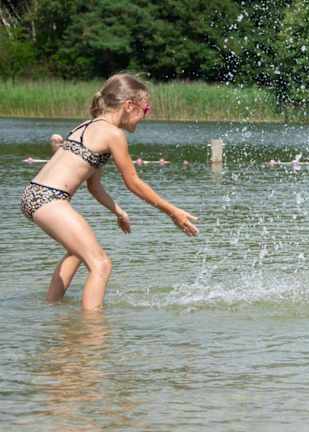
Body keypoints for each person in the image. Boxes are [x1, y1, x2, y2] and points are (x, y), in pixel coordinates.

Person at [19, 73, 199, 311]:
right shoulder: (114, 134)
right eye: (146, 110)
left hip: (33, 195)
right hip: (49, 199)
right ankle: (93, 327)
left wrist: (118, 211)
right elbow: (133, 182)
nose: (146, 116)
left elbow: (93, 186)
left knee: (76, 252)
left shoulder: (87, 126)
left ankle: (51, 308)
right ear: (129, 106)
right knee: (101, 264)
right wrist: (172, 211)